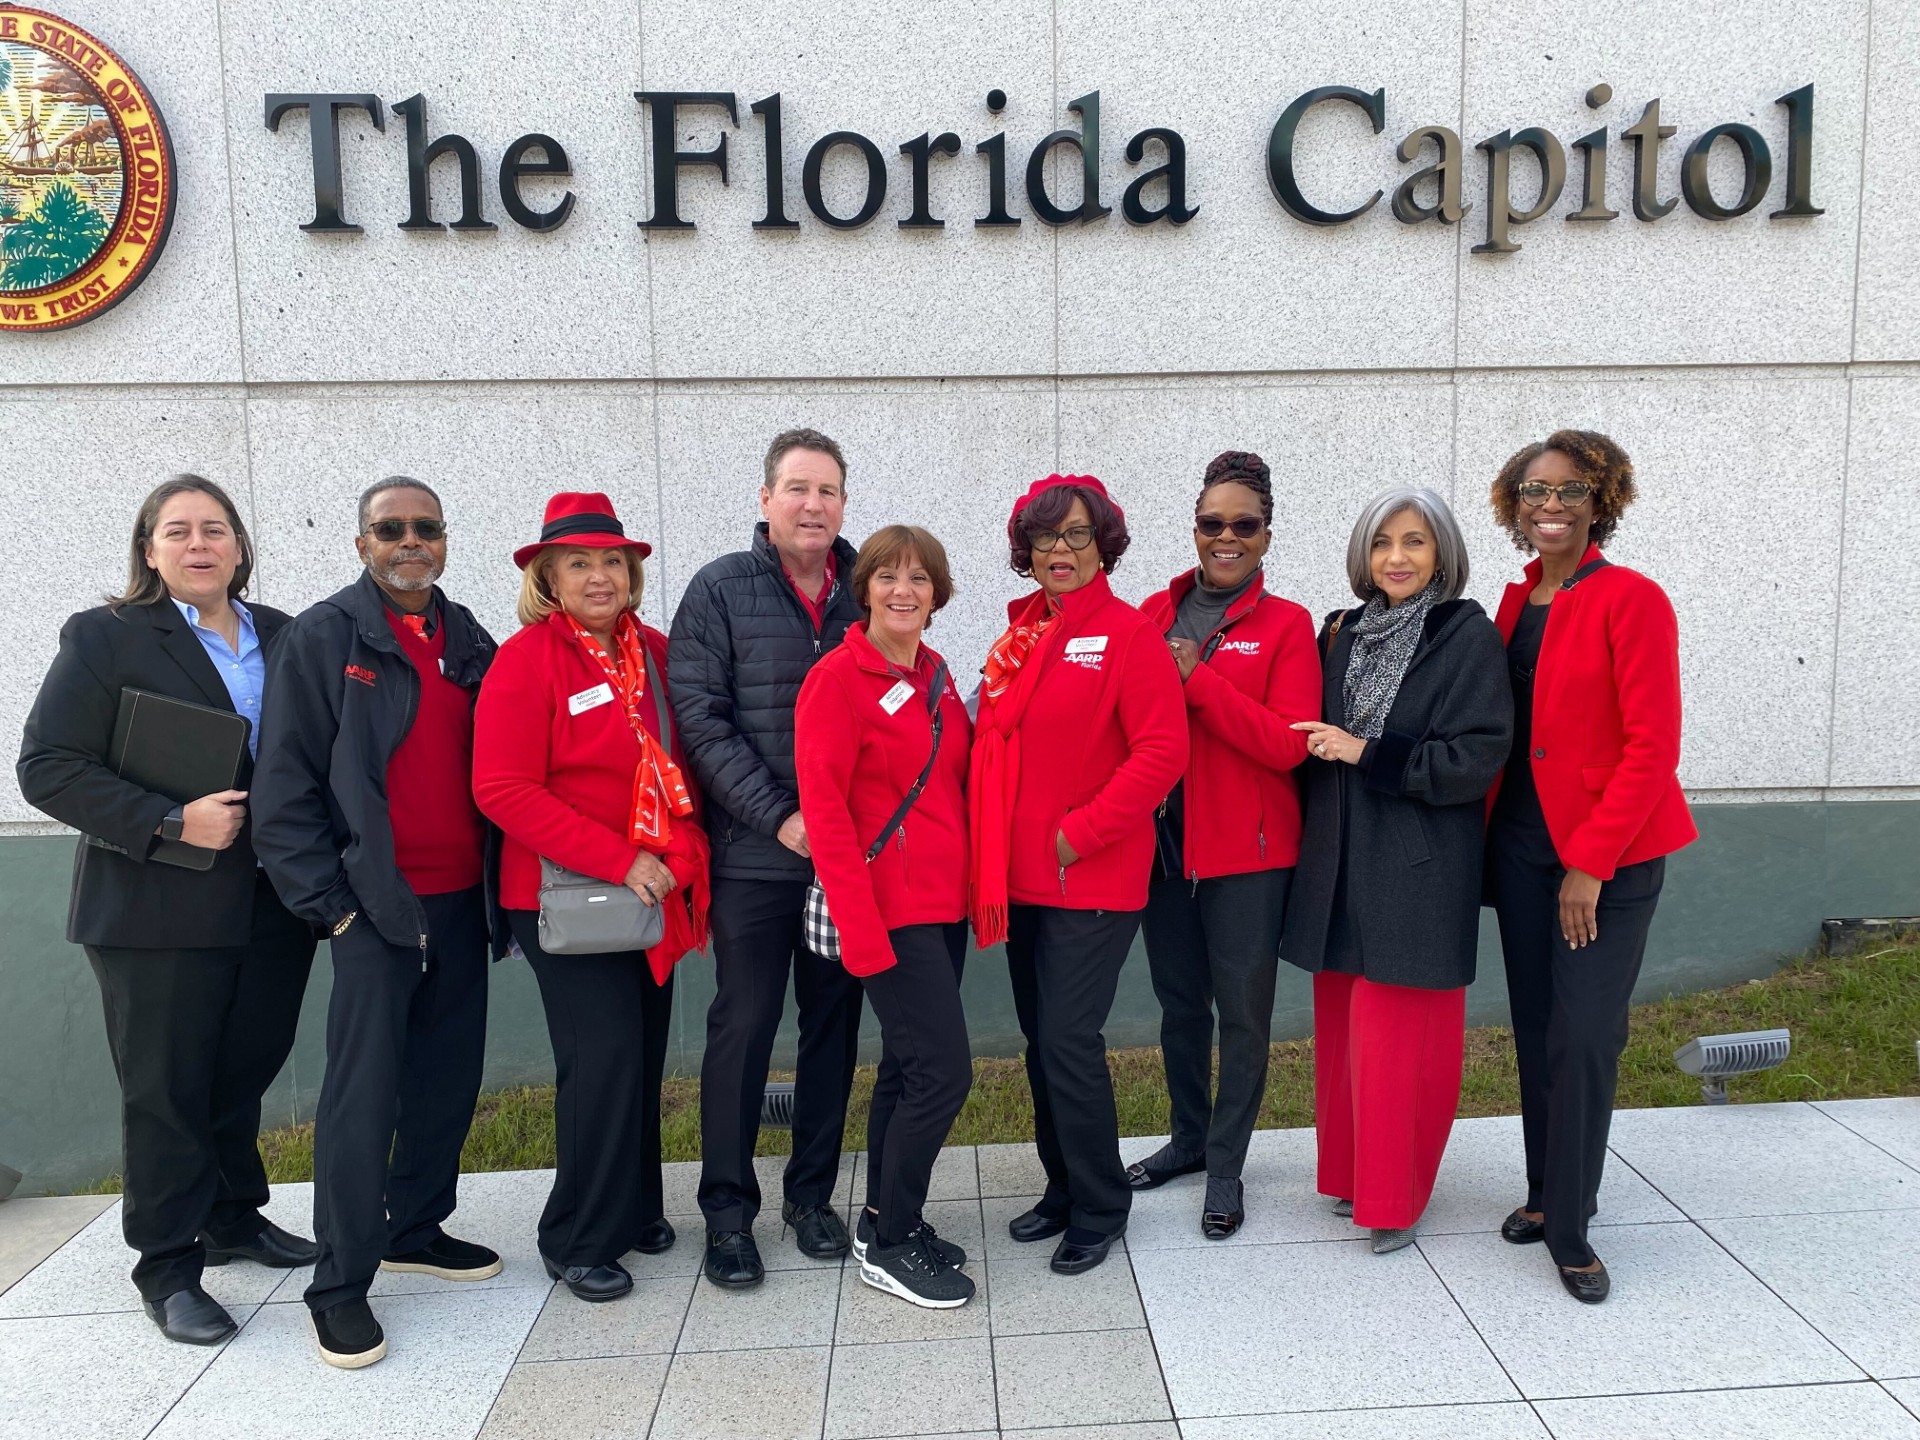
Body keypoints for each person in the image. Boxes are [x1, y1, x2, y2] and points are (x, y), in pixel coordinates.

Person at [16, 476, 318, 1347]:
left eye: (214, 529)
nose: (198, 544)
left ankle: (231, 1215)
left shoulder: (283, 634)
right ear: (148, 549)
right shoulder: (108, 638)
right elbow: (49, 767)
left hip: (270, 901)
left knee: (241, 1069)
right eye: (177, 530)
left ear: (238, 546)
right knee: (166, 1089)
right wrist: (168, 819)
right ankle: (167, 1264)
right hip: (153, 906)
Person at [253, 477, 503, 1369]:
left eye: (424, 528)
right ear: (361, 543)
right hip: (373, 909)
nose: (409, 542)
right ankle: (339, 1285)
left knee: (446, 1078)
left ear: (444, 540)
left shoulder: (467, 635)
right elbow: (282, 789)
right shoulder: (326, 636)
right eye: (389, 529)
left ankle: (417, 1227)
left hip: (460, 903)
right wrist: (333, 908)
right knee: (362, 1100)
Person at [473, 492, 711, 1304]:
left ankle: (636, 1207)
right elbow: (502, 788)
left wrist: (676, 857)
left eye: (613, 560)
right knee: (601, 1060)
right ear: (548, 577)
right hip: (562, 899)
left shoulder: (658, 651)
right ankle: (577, 1236)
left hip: (652, 893)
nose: (599, 575)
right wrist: (620, 860)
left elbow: (687, 771)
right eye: (579, 562)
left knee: (640, 1054)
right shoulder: (527, 659)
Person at [1485, 431, 1695, 1305]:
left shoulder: (1632, 599)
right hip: (1522, 852)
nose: (1549, 507)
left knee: (1584, 1035)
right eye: (1534, 492)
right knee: (1537, 1033)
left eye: (1569, 492)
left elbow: (1653, 747)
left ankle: (1572, 1232)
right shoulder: (1511, 603)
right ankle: (1547, 1192)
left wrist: (1591, 862)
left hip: (1606, 858)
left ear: (1600, 500)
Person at [1281, 487, 1511, 1255]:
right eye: (1383, 543)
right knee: (1346, 1032)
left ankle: (1398, 1196)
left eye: (1415, 542)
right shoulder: (1341, 631)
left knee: (1402, 1040)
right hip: (1340, 858)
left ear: (1441, 552)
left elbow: (1476, 757)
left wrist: (1362, 751)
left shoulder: (1463, 633)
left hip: (1418, 865)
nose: (1397, 558)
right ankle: (1353, 1176)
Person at [970, 474, 1187, 1275]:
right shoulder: (1025, 634)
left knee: (1069, 1040)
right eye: (1044, 538)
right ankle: (1062, 1187)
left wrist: (1077, 836)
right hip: (1022, 881)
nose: (1059, 551)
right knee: (1041, 1044)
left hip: (1089, 879)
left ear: (1105, 546)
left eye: (1076, 536)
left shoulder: (1127, 636)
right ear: (1025, 550)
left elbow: (1163, 753)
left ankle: (1100, 1207)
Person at [667, 428, 865, 1289]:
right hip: (756, 860)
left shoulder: (873, 588)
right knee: (742, 1031)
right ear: (766, 500)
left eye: (826, 490)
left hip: (849, 867)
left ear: (843, 503)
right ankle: (727, 1214)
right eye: (796, 488)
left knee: (833, 1030)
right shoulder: (719, 590)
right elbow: (699, 718)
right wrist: (782, 819)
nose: (811, 504)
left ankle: (812, 1198)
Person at [1132, 452, 1321, 1238]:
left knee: (1242, 1016)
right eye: (1213, 524)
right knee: (1180, 1007)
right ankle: (1185, 1138)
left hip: (1248, 856)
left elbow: (1288, 745)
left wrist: (1198, 682)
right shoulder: (1150, 612)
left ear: (1266, 536)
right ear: (1195, 530)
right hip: (1164, 849)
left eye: (1244, 525)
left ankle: (1225, 1165)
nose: (1227, 537)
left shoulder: (1287, 625)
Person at [795, 525, 976, 1308]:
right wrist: (861, 932)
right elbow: (827, 817)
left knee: (907, 1069)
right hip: (886, 912)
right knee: (945, 1072)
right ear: (862, 588)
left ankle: (884, 1219)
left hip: (943, 907)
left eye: (920, 578)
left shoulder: (935, 672)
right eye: (887, 577)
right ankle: (891, 1240)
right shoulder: (837, 680)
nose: (904, 590)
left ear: (937, 594)